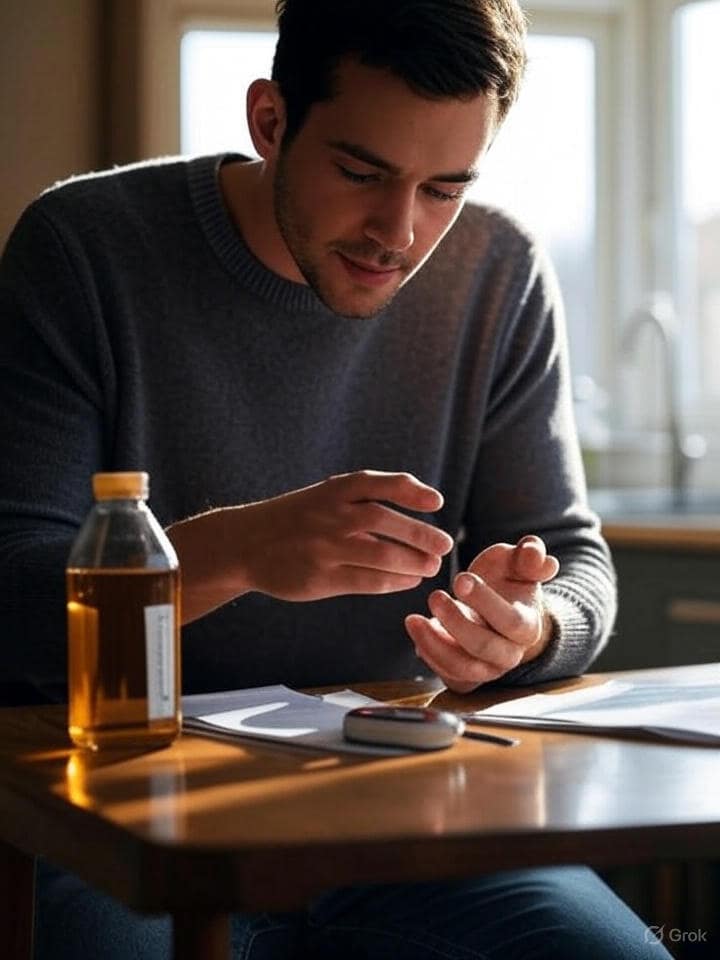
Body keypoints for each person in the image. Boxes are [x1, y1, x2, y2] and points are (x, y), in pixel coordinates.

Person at [0, 0, 671, 957]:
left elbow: (572, 561)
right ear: (270, 120)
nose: (398, 232)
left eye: (446, 187)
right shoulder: (85, 248)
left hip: (399, 798)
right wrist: (231, 553)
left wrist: (530, 629)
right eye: (362, 172)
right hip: (112, 794)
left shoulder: (499, 269)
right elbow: (11, 601)